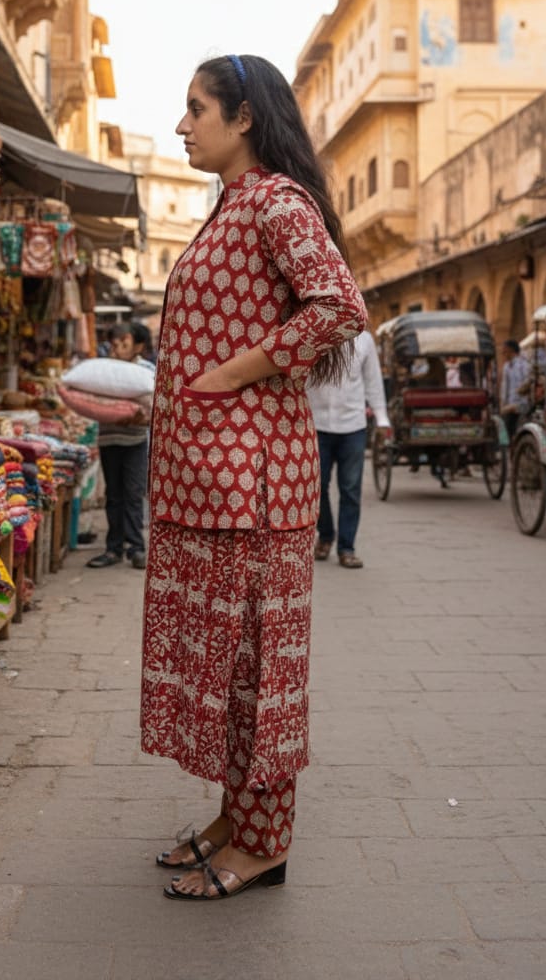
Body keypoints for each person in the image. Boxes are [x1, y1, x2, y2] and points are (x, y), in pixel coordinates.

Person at [141, 53, 366, 901]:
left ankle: (265, 842)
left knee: (256, 673)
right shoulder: (230, 206)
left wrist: (231, 375)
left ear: (243, 118)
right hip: (207, 483)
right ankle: (235, 819)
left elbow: (338, 306)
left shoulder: (275, 202)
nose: (182, 125)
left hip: (253, 487)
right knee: (227, 670)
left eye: (196, 108)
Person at [307, 331, 389, 569]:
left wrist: (382, 417)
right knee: (317, 487)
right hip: (316, 424)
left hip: (353, 426)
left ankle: (346, 548)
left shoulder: (364, 340)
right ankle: (325, 535)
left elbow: (373, 381)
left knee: (351, 489)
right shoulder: (313, 334)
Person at [85, 323, 154, 571]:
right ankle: (113, 548)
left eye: (124, 342)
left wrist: (141, 417)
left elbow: (156, 403)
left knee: (133, 494)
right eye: (115, 342)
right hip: (109, 439)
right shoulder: (105, 369)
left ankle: (136, 548)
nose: (117, 347)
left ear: (138, 346)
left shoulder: (146, 370)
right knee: (113, 495)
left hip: (136, 441)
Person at [500, 338, 531, 438]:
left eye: (504, 350)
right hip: (510, 404)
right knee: (507, 430)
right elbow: (505, 387)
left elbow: (527, 383)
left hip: (522, 404)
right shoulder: (506, 367)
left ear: (511, 350)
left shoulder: (523, 365)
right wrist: (503, 403)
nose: (503, 353)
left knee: (519, 430)